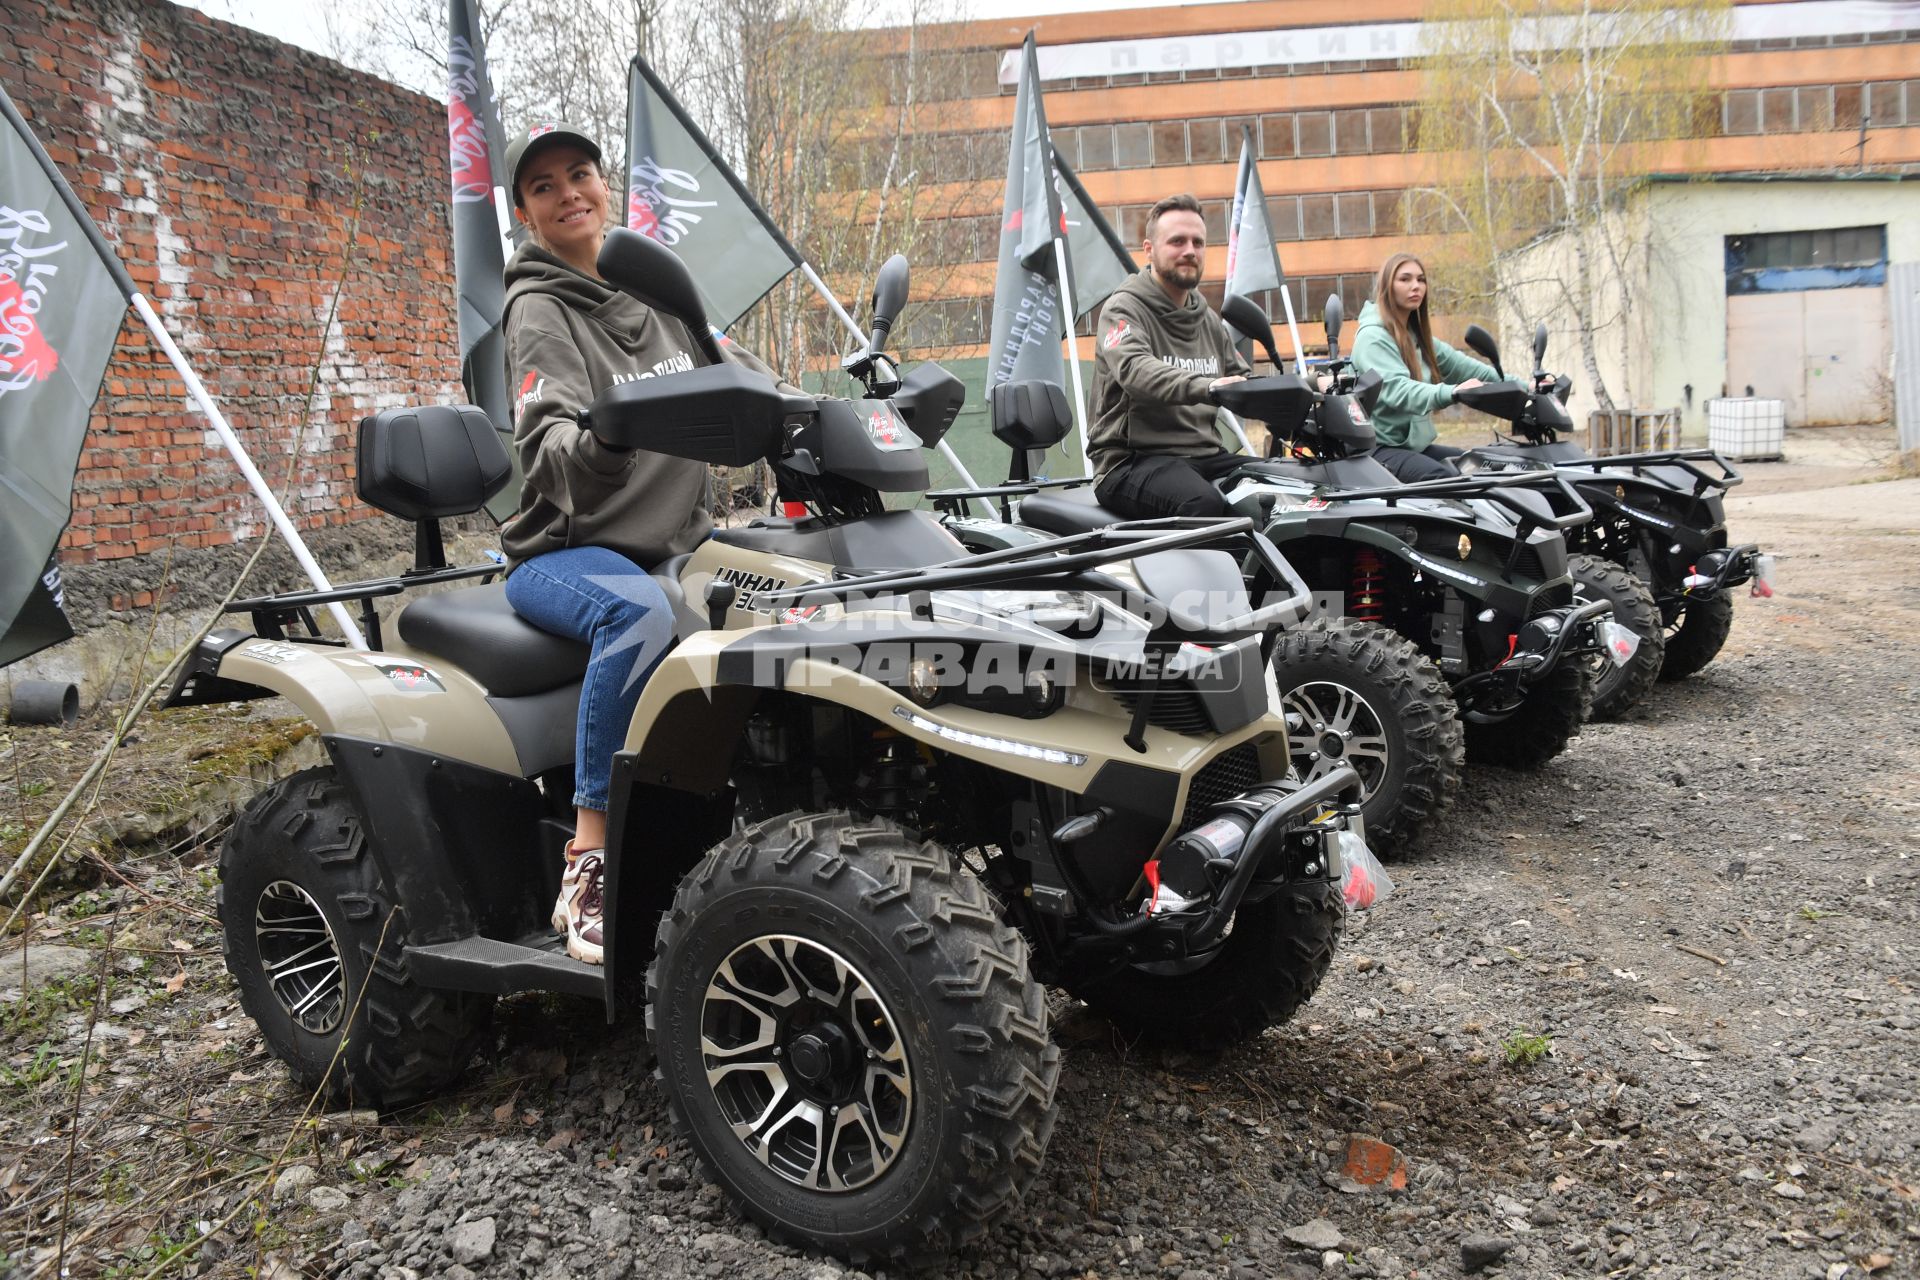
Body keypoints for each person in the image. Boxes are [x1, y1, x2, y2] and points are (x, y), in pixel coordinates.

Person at [498, 123, 789, 965]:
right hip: (569, 551)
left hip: (677, 540)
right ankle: (589, 857)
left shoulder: (655, 290)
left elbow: (745, 373)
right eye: (544, 186)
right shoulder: (538, 310)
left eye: (579, 174)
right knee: (637, 616)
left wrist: (836, 414)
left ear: (606, 183)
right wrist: (607, 436)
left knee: (797, 588)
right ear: (524, 212)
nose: (568, 194)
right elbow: (548, 450)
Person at [1086, 193, 1250, 520]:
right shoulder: (1123, 309)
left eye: (1198, 242)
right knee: (1201, 504)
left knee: (1285, 484)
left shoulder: (1206, 319)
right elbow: (1136, 371)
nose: (1190, 250)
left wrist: (1309, 388)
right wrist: (1209, 386)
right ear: (1149, 250)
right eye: (1177, 241)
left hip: (1203, 455)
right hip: (1131, 462)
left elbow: (1243, 384)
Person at [1348, 253, 1499, 483]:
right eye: (1405, 279)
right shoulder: (1372, 338)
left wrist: (1524, 386)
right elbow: (1399, 389)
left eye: (1421, 280)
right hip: (1376, 449)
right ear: (1386, 286)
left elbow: (1469, 368)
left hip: (1409, 448)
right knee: (1443, 479)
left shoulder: (1416, 337)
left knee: (1480, 466)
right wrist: (1453, 391)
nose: (1415, 286)